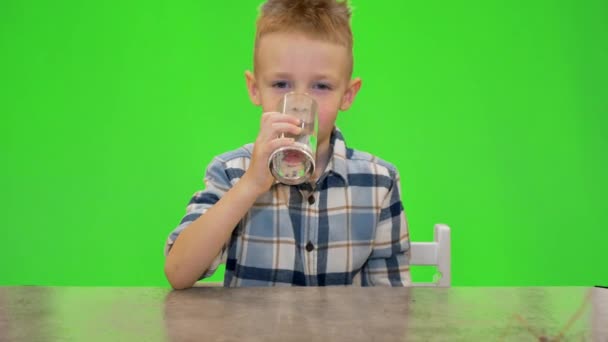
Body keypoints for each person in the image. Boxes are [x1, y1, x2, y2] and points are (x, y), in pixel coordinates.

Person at [164, 0, 411, 289]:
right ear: (255, 89)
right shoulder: (231, 172)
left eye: (321, 86)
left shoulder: (379, 182)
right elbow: (178, 273)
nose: (299, 107)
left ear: (347, 95)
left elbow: (391, 305)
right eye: (281, 84)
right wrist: (250, 186)